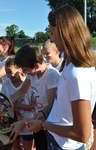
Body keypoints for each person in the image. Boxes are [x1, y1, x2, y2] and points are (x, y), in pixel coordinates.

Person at [24, 5, 96, 150]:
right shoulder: (69, 65)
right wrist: (43, 114)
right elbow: (62, 104)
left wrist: (43, 125)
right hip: (57, 141)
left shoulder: (78, 74)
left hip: (64, 146)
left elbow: (82, 134)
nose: (51, 39)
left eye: (52, 33)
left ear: (64, 33)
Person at [10, 45, 60, 150]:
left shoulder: (51, 76)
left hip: (47, 126)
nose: (25, 73)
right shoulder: (32, 73)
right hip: (37, 122)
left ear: (36, 66)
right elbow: (22, 91)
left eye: (26, 70)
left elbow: (51, 108)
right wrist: (5, 103)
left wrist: (25, 123)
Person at [1, 55, 34, 150]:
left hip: (27, 122)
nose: (8, 75)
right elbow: (3, 100)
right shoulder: (6, 84)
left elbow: (32, 107)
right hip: (13, 122)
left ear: (20, 69)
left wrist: (17, 105)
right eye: (6, 73)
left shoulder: (28, 84)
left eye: (10, 72)